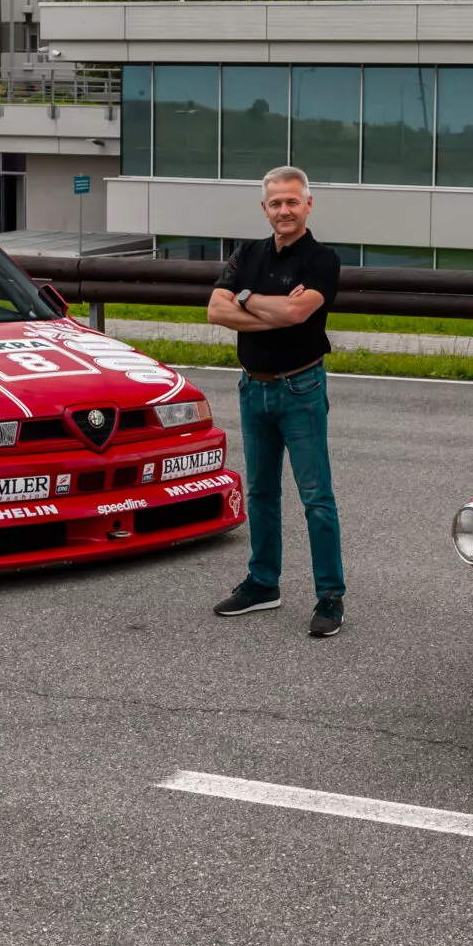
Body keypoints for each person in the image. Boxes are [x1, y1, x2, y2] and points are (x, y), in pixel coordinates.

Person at [206, 165, 346, 636]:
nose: (283, 210)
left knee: (316, 499)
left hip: (300, 388)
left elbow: (298, 311)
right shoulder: (246, 253)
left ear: (308, 204)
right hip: (253, 387)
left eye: (292, 201)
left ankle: (330, 596)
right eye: (275, 203)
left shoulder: (322, 260)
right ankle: (263, 584)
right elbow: (214, 309)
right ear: (263, 208)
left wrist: (245, 300)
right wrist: (270, 306)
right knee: (262, 493)